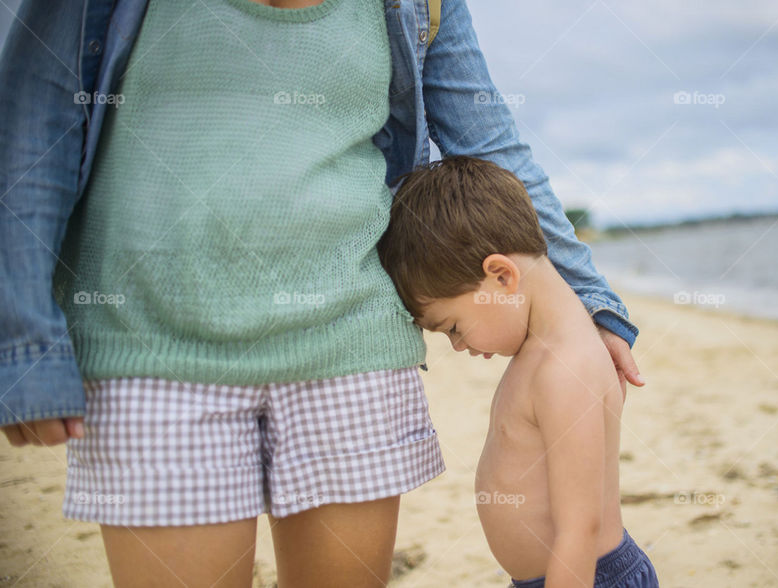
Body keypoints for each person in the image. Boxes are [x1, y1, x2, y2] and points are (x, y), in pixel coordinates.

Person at [0, 0, 643, 585]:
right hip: (150, 342)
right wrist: (24, 339)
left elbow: (491, 146)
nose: (453, 345)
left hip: (350, 343)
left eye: (448, 328)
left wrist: (589, 300)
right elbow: (32, 120)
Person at [377, 156, 659, 587]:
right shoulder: (543, 352)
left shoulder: (565, 368)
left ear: (501, 276)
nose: (457, 345)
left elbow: (579, 529)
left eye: (452, 326)